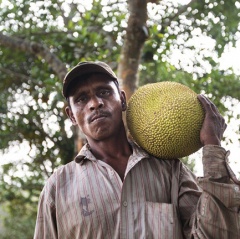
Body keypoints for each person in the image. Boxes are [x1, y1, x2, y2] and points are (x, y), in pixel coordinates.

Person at [34, 61, 240, 239]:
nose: (95, 103)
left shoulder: (170, 170)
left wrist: (212, 146)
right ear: (71, 115)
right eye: (81, 99)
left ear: (122, 100)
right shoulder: (57, 187)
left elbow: (215, 234)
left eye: (104, 92)